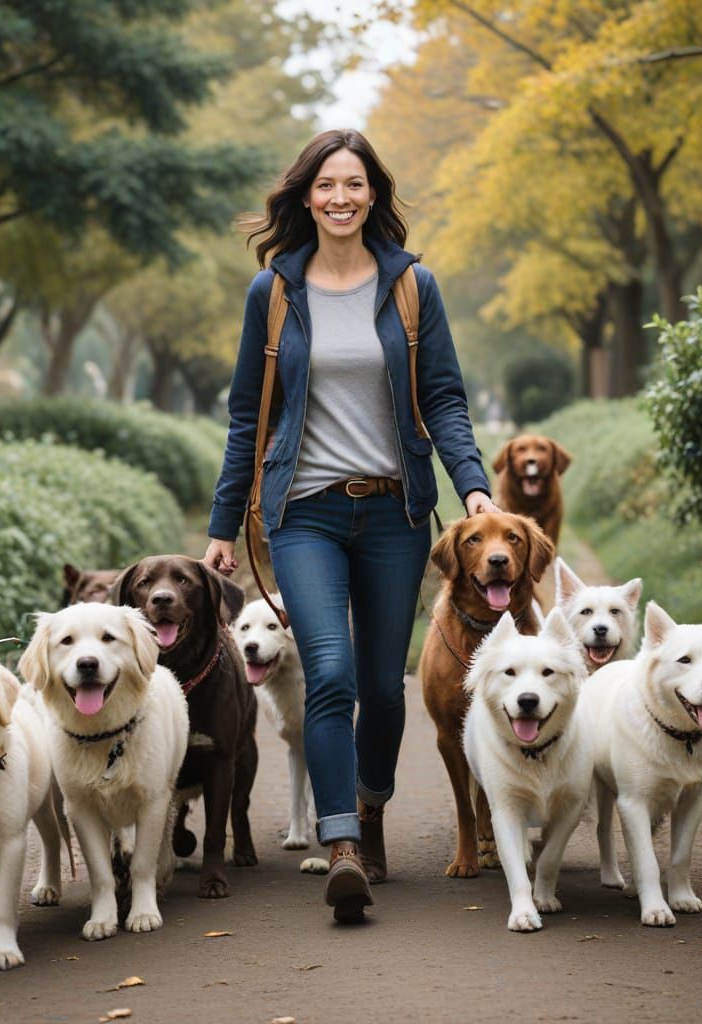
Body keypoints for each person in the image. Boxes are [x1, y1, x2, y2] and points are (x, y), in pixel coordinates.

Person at [204, 128, 499, 923]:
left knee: (381, 685)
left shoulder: (412, 287)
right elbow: (246, 420)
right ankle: (340, 845)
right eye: (326, 184)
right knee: (328, 672)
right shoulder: (273, 293)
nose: (340, 197)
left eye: (355, 184)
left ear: (374, 194)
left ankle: (370, 807)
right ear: (306, 196)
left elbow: (443, 399)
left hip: (397, 511)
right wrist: (222, 527)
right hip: (304, 512)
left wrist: (472, 488)